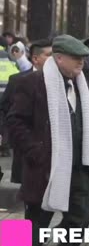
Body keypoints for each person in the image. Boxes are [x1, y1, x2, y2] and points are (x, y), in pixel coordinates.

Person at [7, 35, 89, 246]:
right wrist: (35, 150)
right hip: (44, 166)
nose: (82, 62)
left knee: (81, 217)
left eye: (83, 58)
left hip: (79, 166)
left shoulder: (81, 82)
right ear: (59, 58)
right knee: (33, 223)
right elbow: (14, 121)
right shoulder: (31, 82)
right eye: (76, 58)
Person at [0, 38, 52, 183]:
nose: (53, 59)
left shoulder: (61, 81)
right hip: (25, 148)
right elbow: (4, 110)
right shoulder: (18, 80)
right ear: (35, 58)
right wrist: (6, 135)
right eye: (49, 55)